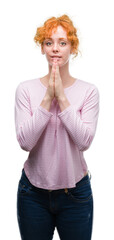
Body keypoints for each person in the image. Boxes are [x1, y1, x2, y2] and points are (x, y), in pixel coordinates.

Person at [14, 14, 99, 240]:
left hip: (75, 195)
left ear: (72, 48)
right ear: (42, 48)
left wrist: (61, 97)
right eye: (49, 42)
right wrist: (46, 99)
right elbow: (25, 142)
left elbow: (84, 142)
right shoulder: (25, 89)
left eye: (63, 43)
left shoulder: (89, 92)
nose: (55, 49)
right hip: (32, 194)